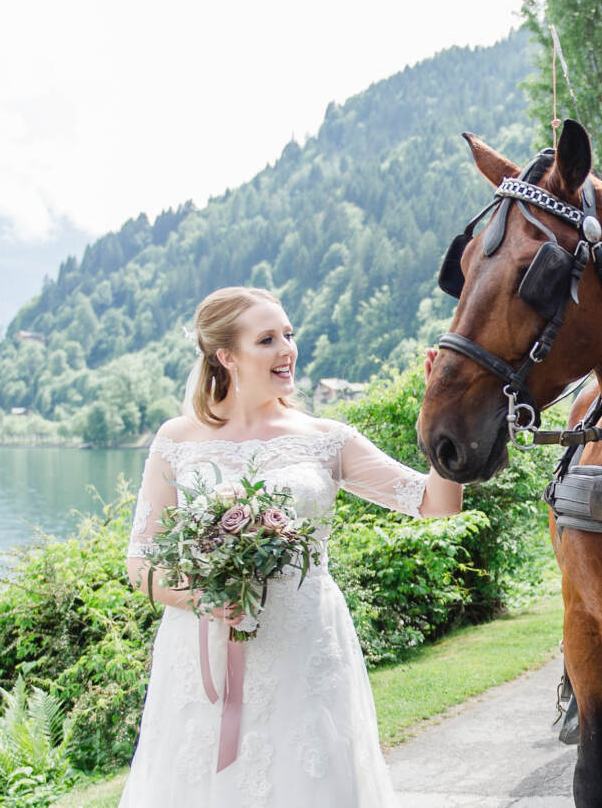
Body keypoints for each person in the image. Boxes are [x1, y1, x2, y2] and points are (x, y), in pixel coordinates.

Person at [120, 287, 462, 807]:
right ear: (226, 356)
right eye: (267, 339)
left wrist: (445, 405)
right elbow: (141, 561)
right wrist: (199, 599)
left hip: (305, 645)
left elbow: (437, 503)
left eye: (288, 334)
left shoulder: (325, 438)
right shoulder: (176, 439)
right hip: (202, 650)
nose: (287, 349)